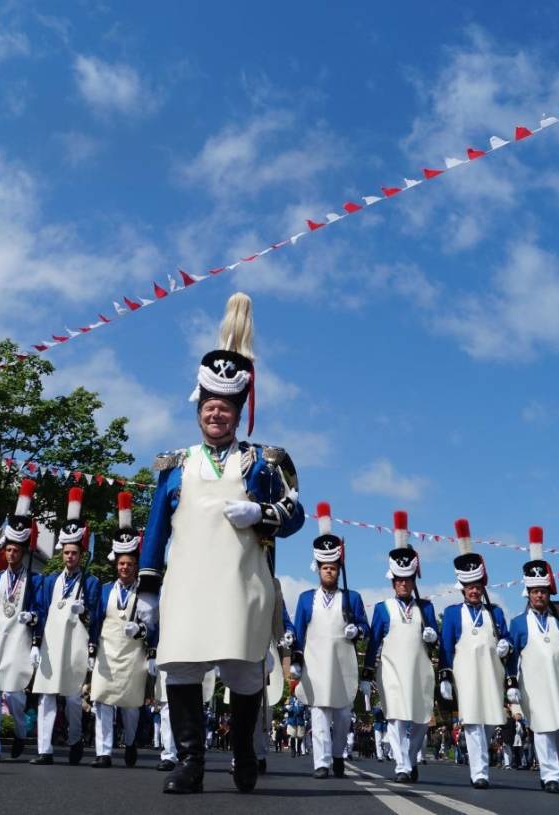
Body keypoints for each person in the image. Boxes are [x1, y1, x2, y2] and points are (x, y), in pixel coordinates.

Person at [139, 293, 305, 795]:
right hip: (187, 584)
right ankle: (190, 762)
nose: (217, 415)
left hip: (240, 584)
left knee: (243, 674)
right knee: (183, 668)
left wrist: (263, 512)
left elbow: (295, 514)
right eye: (210, 407)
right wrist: (147, 590)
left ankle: (242, 755)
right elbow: (155, 532)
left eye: (225, 409)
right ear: (199, 411)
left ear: (237, 414)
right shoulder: (174, 465)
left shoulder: (263, 460)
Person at [505, 526, 559, 793]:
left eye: (543, 590)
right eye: (535, 591)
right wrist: (511, 683)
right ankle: (550, 773)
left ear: (548, 592)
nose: (539, 595)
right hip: (534, 683)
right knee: (542, 727)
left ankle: (552, 764)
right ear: (528, 594)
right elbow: (511, 655)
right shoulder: (518, 623)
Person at [290, 503, 369, 780]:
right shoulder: (304, 598)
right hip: (316, 664)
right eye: (325, 567)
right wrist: (296, 660)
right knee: (319, 714)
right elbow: (297, 632)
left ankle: (337, 756)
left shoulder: (353, 598)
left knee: (343, 715)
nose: (329, 572)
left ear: (339, 568)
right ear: (318, 569)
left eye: (333, 568)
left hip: (343, 664)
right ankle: (321, 762)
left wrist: (355, 631)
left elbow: (365, 628)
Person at [364, 512, 438, 783]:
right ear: (393, 581)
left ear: (413, 581)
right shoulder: (383, 608)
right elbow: (373, 642)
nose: (403, 584)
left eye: (407, 580)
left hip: (419, 669)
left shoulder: (426, 607)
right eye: (399, 580)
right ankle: (401, 765)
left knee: (420, 719)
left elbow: (434, 636)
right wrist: (367, 672)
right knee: (395, 716)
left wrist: (432, 635)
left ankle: (410, 754)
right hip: (392, 670)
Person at [439, 518, 510, 789]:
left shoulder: (496, 612)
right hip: (466, 673)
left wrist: (506, 645)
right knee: (472, 721)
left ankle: (481, 759)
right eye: (470, 587)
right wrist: (444, 675)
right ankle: (479, 771)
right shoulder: (453, 613)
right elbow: (446, 645)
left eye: (478, 587)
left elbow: (504, 638)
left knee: (490, 721)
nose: (474, 591)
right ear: (463, 588)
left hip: (492, 672)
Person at [32, 487, 101, 765]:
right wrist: (35, 641)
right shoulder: (50, 581)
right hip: (51, 643)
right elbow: (40, 610)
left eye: (74, 553)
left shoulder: (92, 582)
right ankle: (44, 749)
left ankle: (75, 740)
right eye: (66, 553)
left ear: (81, 555)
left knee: (73, 699)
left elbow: (95, 615)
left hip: (76, 645)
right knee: (46, 697)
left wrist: (84, 611)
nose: (69, 557)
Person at [89, 492, 157, 768]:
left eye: (129, 564)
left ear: (136, 566)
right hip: (107, 651)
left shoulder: (145, 592)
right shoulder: (105, 590)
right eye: (121, 564)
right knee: (102, 701)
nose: (125, 568)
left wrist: (140, 632)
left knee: (130, 705)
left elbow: (153, 626)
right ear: (115, 566)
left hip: (132, 655)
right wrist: (91, 649)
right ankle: (103, 751)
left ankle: (129, 742)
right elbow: (95, 620)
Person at [0, 478, 42, 762]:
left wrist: (34, 619)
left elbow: (40, 610)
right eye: (9, 549)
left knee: (15, 697)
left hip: (20, 642)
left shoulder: (35, 580)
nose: (12, 553)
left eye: (17, 549)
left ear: (24, 551)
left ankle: (19, 731)